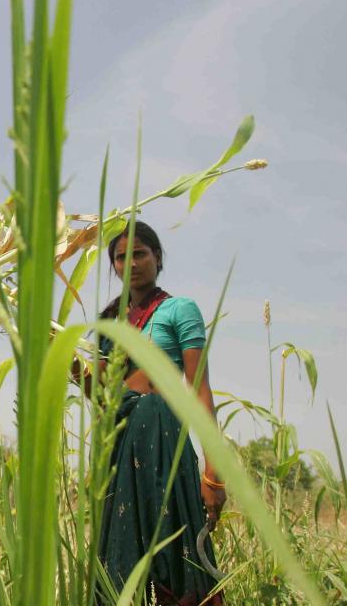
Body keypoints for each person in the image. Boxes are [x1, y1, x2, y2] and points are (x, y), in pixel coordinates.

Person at [90, 221, 225, 605]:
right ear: (113, 266)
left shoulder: (178, 310)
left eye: (140, 253)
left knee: (177, 556)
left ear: (157, 257)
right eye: (121, 256)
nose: (131, 263)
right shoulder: (108, 324)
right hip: (119, 446)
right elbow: (101, 395)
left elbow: (199, 390)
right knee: (119, 564)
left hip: (163, 441)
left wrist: (214, 475)